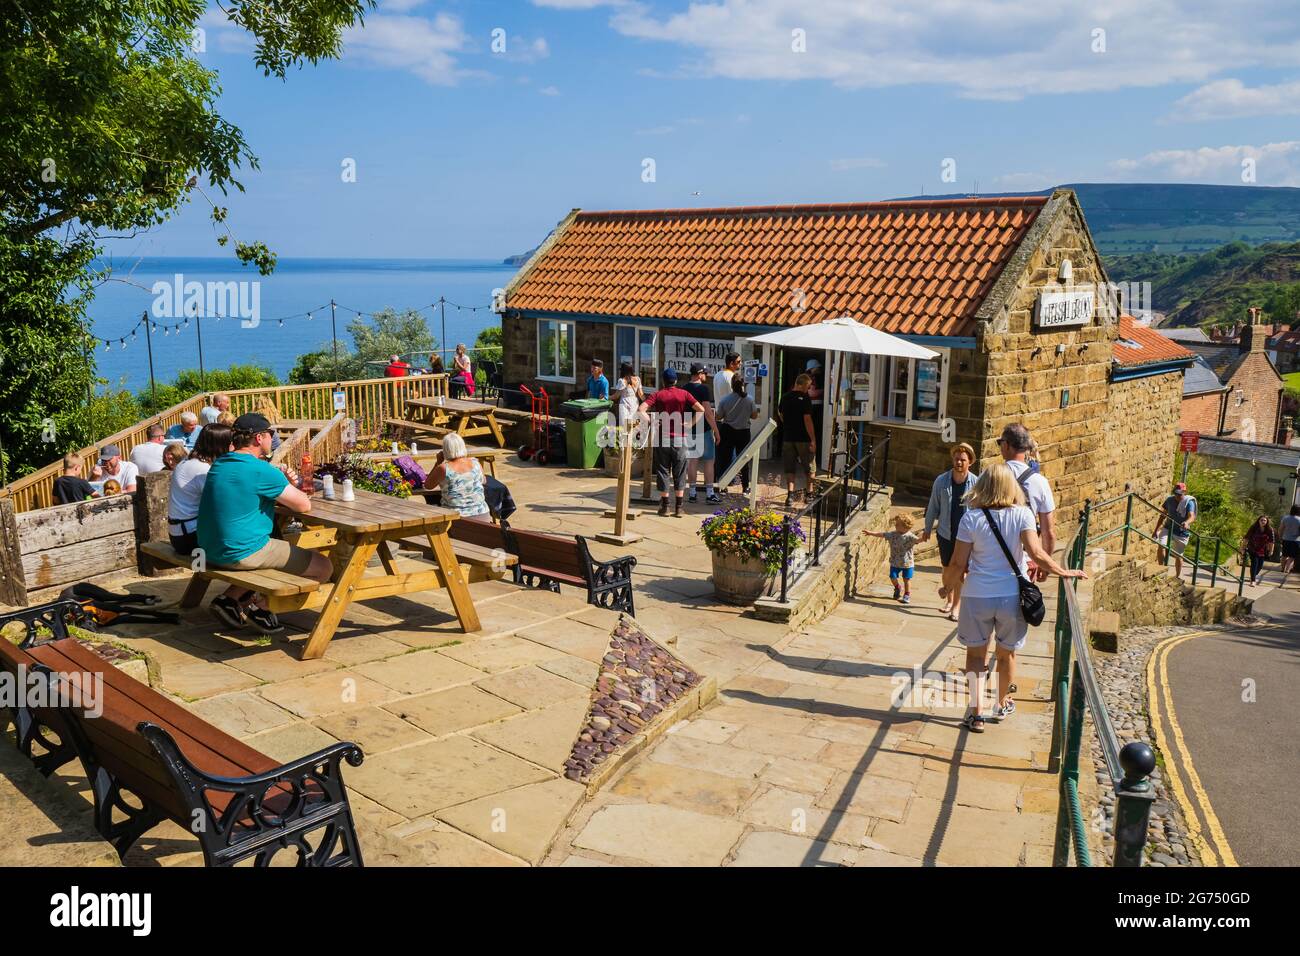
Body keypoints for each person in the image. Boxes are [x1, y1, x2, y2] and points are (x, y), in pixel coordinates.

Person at [942, 463, 1087, 733]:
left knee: (975, 656)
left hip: (977, 595)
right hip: (1011, 595)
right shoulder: (1022, 515)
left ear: (982, 486)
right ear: (1012, 487)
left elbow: (958, 562)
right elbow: (1036, 553)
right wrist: (1062, 571)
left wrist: (947, 588)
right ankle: (1003, 701)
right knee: (1006, 653)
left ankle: (976, 713)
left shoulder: (970, 519)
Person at [196, 413, 333, 634]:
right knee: (323, 567)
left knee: (275, 546)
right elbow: (303, 506)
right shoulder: (262, 470)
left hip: (206, 549)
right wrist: (287, 484)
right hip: (240, 552)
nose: (273, 438)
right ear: (259, 438)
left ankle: (230, 599)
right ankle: (260, 608)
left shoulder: (220, 464)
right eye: (271, 434)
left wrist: (279, 485)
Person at [922, 442, 978, 621]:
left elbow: (979, 509)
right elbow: (933, 506)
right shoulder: (941, 481)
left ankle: (956, 606)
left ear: (970, 462)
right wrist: (927, 528)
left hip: (966, 535)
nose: (959, 463)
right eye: (956, 459)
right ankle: (949, 599)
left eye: (962, 460)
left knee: (960, 569)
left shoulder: (976, 483)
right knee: (947, 568)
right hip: (946, 531)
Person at [639, 367, 705, 517]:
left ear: (663, 381)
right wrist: (690, 424)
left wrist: (652, 422)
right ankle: (679, 507)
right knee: (680, 472)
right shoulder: (684, 394)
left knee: (663, 471)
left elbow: (641, 409)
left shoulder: (658, 395)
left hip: (662, 438)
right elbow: (701, 409)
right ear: (675, 381)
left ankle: (665, 506)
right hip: (680, 438)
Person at [998, 424, 1055, 581]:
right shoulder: (1040, 482)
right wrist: (1044, 565)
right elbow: (1048, 532)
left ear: (1006, 445)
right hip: (1026, 560)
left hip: (990, 558)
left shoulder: (988, 477)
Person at [168, 423, 233, 555]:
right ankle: (204, 572)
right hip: (189, 539)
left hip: (179, 534)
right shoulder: (202, 469)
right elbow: (222, 503)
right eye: (230, 442)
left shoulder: (189, 461)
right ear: (220, 444)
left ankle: (201, 574)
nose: (233, 446)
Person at [424, 433, 490, 519]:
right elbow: (483, 481)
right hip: (483, 516)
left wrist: (438, 462)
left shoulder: (444, 468)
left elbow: (428, 485)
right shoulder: (476, 463)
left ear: (445, 450)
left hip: (457, 519)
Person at [682, 363, 721, 504]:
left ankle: (692, 493)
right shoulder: (704, 389)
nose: (706, 375)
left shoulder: (684, 388)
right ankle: (710, 493)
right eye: (704, 373)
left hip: (689, 429)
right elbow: (708, 413)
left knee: (693, 460)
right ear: (699, 374)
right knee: (709, 461)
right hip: (703, 429)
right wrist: (716, 430)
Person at [777, 373, 816, 506]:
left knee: (790, 468)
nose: (809, 389)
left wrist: (788, 424)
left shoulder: (785, 397)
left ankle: (790, 496)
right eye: (808, 386)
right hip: (803, 438)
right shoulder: (805, 398)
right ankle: (809, 495)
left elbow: (781, 414)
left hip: (788, 437)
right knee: (810, 468)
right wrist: (813, 439)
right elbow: (807, 419)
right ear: (804, 384)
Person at [716, 374, 758, 494]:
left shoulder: (725, 400)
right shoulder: (749, 399)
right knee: (744, 459)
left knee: (726, 459)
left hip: (728, 430)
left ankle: (723, 486)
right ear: (743, 385)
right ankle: (745, 487)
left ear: (732, 386)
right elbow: (754, 416)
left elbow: (719, 416)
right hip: (744, 432)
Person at [866, 513, 921, 604]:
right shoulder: (892, 534)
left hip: (907, 563)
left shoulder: (910, 536)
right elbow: (882, 534)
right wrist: (871, 533)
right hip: (895, 562)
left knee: (906, 579)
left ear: (905, 527)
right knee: (892, 577)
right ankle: (897, 587)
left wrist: (923, 538)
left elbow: (918, 540)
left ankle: (907, 594)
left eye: (898, 524)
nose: (895, 525)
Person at [1154, 482, 1197, 578]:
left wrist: (1187, 522)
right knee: (1161, 545)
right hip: (1168, 527)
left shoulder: (1189, 502)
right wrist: (1156, 530)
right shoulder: (1169, 500)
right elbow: (1163, 515)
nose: (1178, 496)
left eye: (1180, 494)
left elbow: (1192, 516)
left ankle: (1177, 576)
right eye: (1176, 494)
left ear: (1184, 493)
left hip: (1182, 532)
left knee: (1178, 555)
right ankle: (1161, 570)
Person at [1242, 516, 1275, 586]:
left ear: (1267, 522)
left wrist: (1271, 551)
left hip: (1263, 550)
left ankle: (1253, 575)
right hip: (1253, 548)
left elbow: (1272, 542)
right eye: (1261, 520)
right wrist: (1243, 548)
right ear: (1258, 521)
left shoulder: (1269, 530)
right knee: (1254, 563)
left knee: (1260, 566)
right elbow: (1246, 538)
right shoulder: (1253, 528)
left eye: (1264, 520)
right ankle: (1253, 580)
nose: (1263, 522)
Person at [1281, 505, 1300, 576]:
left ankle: (1282, 568)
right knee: (1292, 556)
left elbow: (1281, 528)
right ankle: (1287, 569)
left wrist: (1280, 536)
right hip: (1296, 540)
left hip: (1285, 539)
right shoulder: (1299, 519)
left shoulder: (1285, 518)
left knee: (1284, 555)